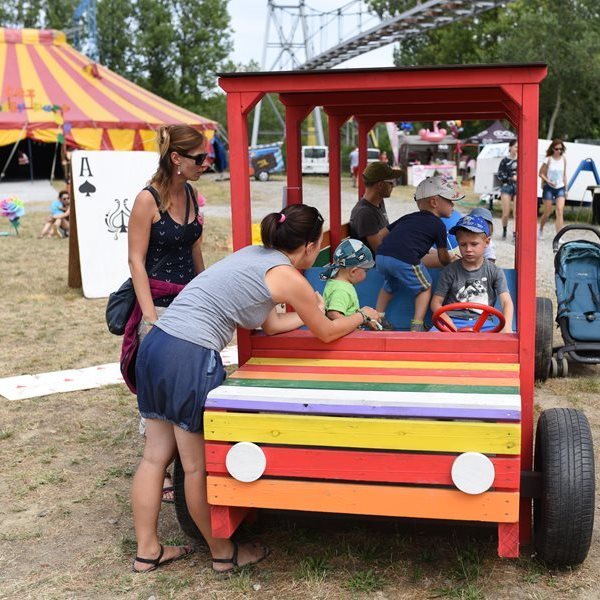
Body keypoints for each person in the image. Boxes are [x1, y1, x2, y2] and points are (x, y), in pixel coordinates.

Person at [130, 204, 379, 574]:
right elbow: (326, 334)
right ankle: (223, 553)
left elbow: (273, 324)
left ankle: (147, 551)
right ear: (311, 246)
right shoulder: (287, 275)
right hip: (190, 355)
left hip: (156, 346)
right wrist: (362, 316)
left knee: (154, 458)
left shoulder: (251, 255)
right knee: (196, 467)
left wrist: (311, 312)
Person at [122, 125, 207, 505]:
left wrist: (209, 294)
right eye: (200, 158)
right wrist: (151, 318)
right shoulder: (148, 200)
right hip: (158, 307)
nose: (207, 163)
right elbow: (136, 262)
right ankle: (167, 473)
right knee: (160, 400)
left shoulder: (190, 194)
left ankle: (178, 469)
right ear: (177, 159)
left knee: (189, 391)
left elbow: (196, 253)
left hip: (191, 305)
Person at [374, 175, 461, 332]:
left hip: (381, 256)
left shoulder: (408, 217)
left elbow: (380, 235)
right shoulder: (438, 225)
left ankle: (377, 318)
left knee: (390, 284)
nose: (452, 205)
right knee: (425, 288)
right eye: (449, 201)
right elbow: (442, 257)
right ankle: (417, 325)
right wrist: (453, 263)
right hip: (404, 259)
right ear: (434, 202)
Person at [431, 215, 513, 333]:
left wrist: (507, 327)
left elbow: (506, 302)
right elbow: (436, 303)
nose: (468, 249)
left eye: (474, 244)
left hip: (483, 323)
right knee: (431, 341)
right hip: (452, 322)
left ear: (487, 242)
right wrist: (446, 319)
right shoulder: (450, 271)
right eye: (463, 244)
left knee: (502, 345)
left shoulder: (494, 271)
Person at [321, 238, 381, 329]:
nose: (367, 274)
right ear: (353, 271)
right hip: (344, 340)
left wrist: (365, 320)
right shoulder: (341, 290)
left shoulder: (336, 283)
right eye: (366, 270)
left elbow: (347, 312)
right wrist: (357, 327)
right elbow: (333, 314)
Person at [348, 161, 402, 254]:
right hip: (375, 266)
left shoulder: (379, 202)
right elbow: (382, 252)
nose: (393, 186)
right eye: (391, 182)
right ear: (380, 185)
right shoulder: (365, 213)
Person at [539, 139, 567, 239]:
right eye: (556, 149)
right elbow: (541, 173)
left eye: (560, 149)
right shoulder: (548, 159)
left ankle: (559, 236)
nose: (558, 151)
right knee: (548, 211)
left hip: (560, 187)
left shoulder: (563, 159)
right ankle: (541, 229)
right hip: (549, 187)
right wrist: (548, 181)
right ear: (552, 149)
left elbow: (564, 175)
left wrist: (566, 189)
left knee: (560, 210)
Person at [498, 139, 518, 241]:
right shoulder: (504, 161)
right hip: (507, 186)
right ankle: (504, 229)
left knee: (517, 213)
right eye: (515, 147)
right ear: (510, 147)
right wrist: (510, 178)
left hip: (518, 187)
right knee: (506, 213)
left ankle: (515, 233)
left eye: (518, 147)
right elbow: (500, 175)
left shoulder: (521, 160)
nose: (517, 149)